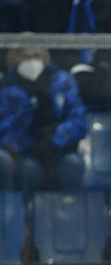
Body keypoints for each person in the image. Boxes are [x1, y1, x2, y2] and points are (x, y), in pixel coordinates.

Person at [4, 46, 87, 192]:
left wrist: (56, 140)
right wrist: (28, 146)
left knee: (73, 164)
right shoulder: (6, 88)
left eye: (36, 56)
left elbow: (78, 120)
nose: (31, 62)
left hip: (61, 148)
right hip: (27, 152)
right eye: (25, 56)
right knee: (28, 169)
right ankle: (26, 205)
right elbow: (5, 128)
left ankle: (72, 204)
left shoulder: (63, 81)